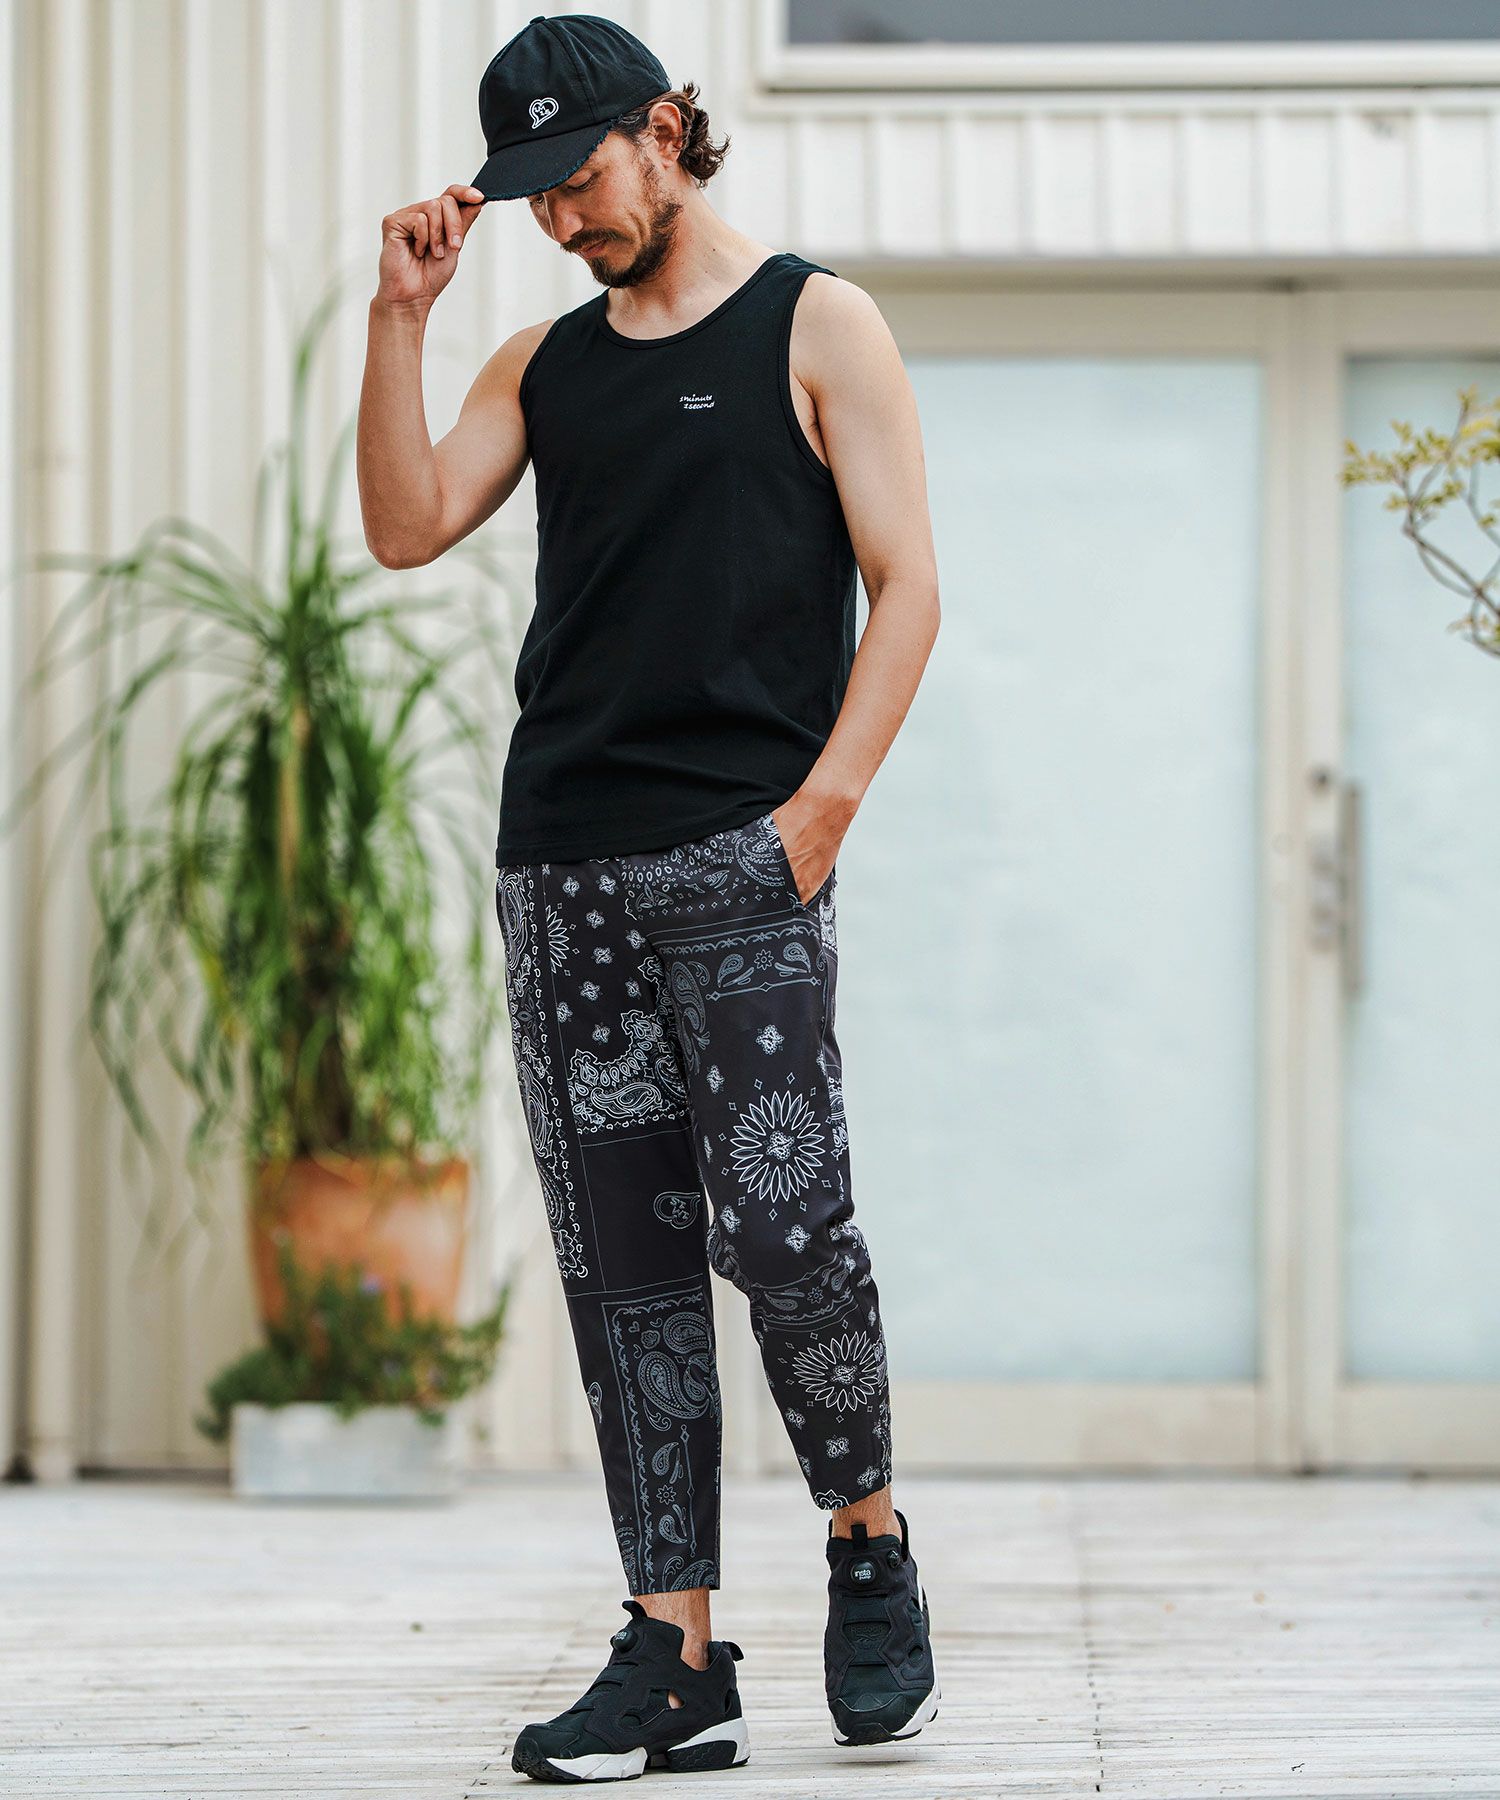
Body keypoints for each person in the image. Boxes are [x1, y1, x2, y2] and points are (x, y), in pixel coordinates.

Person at [356, 12, 941, 1783]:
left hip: (744, 857)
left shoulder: (817, 324)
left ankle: (865, 1538)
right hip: (565, 868)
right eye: (534, 195)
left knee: (788, 1229)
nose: (565, 218)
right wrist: (400, 319)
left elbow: (908, 586)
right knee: (625, 1268)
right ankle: (675, 1651)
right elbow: (405, 524)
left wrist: (818, 818)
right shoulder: (542, 364)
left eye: (585, 176)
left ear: (670, 128)